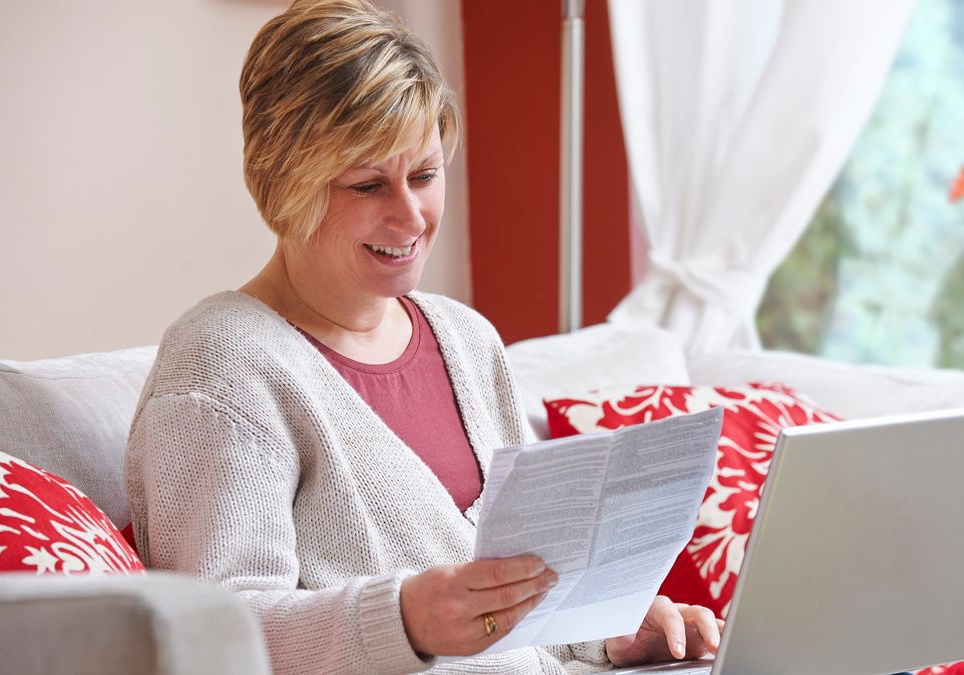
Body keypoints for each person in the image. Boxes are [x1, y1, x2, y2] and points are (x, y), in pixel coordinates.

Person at [124, 1, 723, 672]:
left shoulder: (465, 339)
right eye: (369, 183)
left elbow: (520, 594)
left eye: (425, 175)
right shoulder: (222, 368)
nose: (410, 215)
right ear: (285, 183)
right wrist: (404, 619)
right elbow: (217, 636)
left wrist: (609, 629)